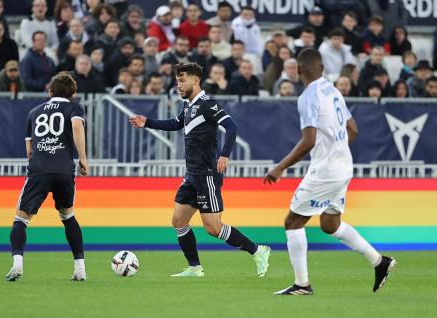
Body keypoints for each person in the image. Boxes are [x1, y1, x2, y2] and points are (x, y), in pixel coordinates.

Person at [264, 48, 395, 295]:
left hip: (326, 170)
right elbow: (353, 129)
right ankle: (380, 261)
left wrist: (280, 167)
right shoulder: (333, 90)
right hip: (344, 165)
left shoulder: (307, 97)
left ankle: (302, 284)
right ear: (322, 68)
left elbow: (309, 140)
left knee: (293, 222)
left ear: (299, 70)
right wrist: (337, 152)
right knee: (330, 223)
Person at [129, 62, 271, 277]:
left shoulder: (207, 104)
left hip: (206, 175)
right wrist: (147, 122)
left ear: (195, 81)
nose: (178, 85)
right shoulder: (189, 105)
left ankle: (258, 250)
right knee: (178, 221)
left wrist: (224, 154)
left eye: (182, 80)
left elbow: (231, 126)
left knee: (213, 228)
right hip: (191, 175)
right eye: (177, 80)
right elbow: (176, 123)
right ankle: (195, 267)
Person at [5, 72, 88, 282]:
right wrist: (83, 158)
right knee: (68, 217)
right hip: (63, 171)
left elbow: (29, 150)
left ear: (49, 91)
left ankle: (17, 264)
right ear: (73, 93)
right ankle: (80, 269)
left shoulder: (34, 112)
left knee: (20, 219)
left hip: (39, 170)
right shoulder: (74, 108)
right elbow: (77, 126)